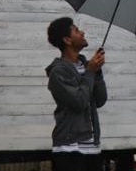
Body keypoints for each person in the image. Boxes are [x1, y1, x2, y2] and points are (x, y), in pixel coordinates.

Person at [46, 17, 107, 171]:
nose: (82, 32)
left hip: (92, 145)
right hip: (69, 147)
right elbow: (79, 102)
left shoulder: (87, 66)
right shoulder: (58, 72)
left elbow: (100, 100)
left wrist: (96, 71)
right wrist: (90, 72)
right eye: (76, 30)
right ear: (67, 40)